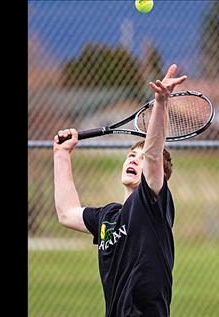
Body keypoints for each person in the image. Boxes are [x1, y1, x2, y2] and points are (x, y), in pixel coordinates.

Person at [53, 64, 187, 317]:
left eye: (140, 158)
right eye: (130, 156)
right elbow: (66, 213)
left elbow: (154, 154)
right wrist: (61, 155)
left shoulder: (152, 205)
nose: (134, 160)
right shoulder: (108, 217)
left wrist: (160, 102)